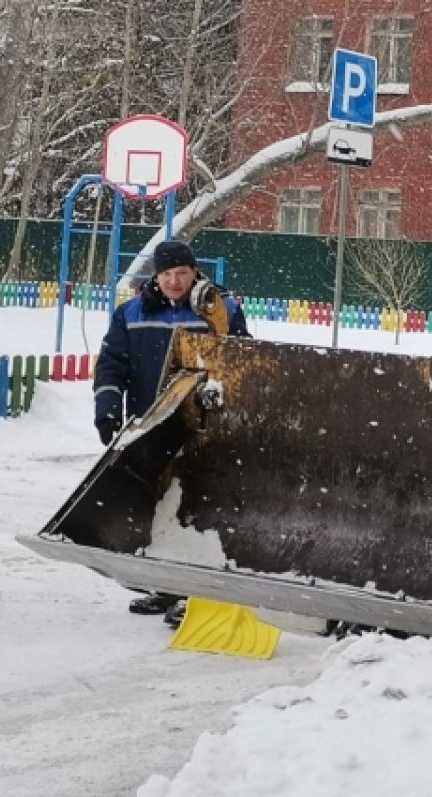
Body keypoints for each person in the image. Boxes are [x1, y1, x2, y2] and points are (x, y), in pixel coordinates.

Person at [93, 239, 250, 617]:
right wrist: (107, 410)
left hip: (205, 428)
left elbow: (243, 360)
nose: (175, 282)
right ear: (156, 276)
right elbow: (112, 364)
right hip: (151, 424)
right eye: (167, 275)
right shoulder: (131, 313)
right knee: (157, 506)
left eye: (181, 273)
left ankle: (195, 593)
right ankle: (165, 587)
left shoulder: (222, 309)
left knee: (197, 509)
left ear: (195, 272)